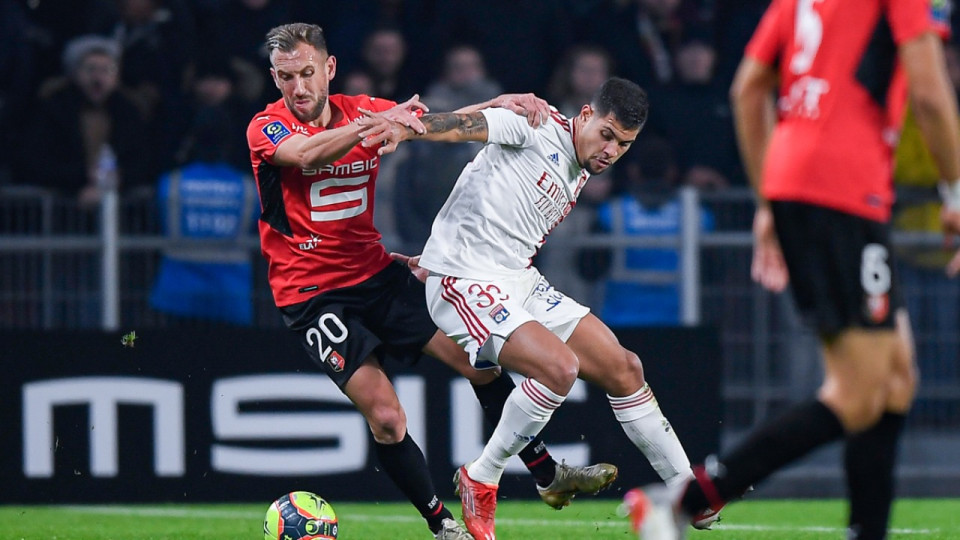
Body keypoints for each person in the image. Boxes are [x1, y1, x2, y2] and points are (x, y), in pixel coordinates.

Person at [245, 23, 617, 540]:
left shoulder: (365, 109)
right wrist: (377, 123)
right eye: (287, 78)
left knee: (479, 362)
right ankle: (443, 526)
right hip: (311, 295)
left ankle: (547, 474)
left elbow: (443, 124)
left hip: (376, 273)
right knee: (387, 417)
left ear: (328, 69)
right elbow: (309, 155)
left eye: (308, 73)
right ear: (274, 78)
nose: (299, 89)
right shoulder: (267, 127)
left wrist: (501, 103)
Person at [625, 1, 960, 539]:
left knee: (896, 377)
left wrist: (767, 199)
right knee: (858, 392)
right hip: (843, 190)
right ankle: (680, 503)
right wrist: (955, 190)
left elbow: (747, 90)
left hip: (799, 179)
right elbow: (928, 89)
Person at [377, 77, 716, 540]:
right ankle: (482, 475)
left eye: (624, 144)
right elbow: (460, 127)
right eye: (607, 134)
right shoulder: (533, 125)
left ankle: (685, 492)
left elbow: (484, 203)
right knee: (560, 369)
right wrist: (409, 127)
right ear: (583, 115)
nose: (612, 151)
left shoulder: (581, 167)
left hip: (518, 279)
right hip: (465, 280)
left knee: (625, 368)